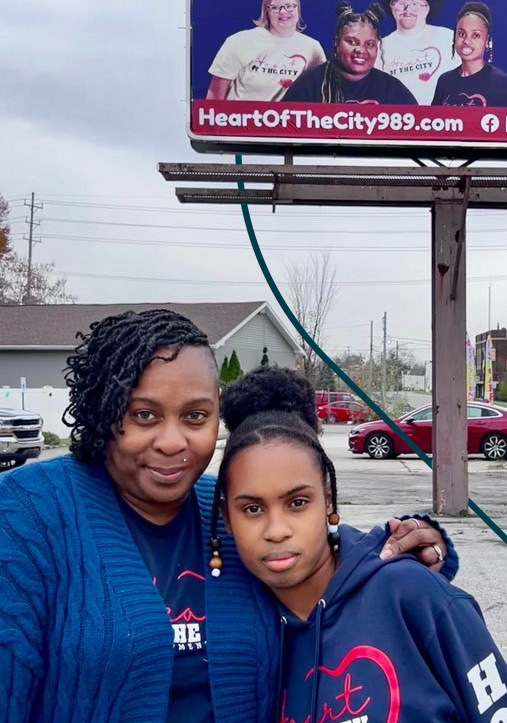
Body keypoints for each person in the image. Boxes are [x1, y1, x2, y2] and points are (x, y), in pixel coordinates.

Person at [0, 309, 456, 723]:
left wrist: (418, 540)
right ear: (104, 409)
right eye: (144, 416)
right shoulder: (27, 512)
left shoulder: (229, 506)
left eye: (196, 417)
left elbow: (326, 552)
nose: (174, 442)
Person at [215, 367, 507, 723]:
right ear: (226, 518)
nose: (276, 531)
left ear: (328, 501)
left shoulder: (412, 595)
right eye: (252, 509)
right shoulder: (242, 634)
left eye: (297, 503)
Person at [282, 1, 417, 105]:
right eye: (352, 42)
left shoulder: (391, 89)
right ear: (337, 43)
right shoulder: (311, 84)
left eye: (369, 44)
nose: (361, 50)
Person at [206, 0, 325, 101]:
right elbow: (215, 93)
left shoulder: (312, 47)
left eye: (289, 6)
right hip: (240, 118)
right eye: (274, 7)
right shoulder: (239, 41)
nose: (283, 12)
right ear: (266, 11)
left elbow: (321, 90)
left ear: (298, 9)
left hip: (286, 119)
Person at [432, 2, 507, 108]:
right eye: (461, 34)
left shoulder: (499, 81)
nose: (466, 41)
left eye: (475, 35)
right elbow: (432, 122)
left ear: (487, 41)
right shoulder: (445, 81)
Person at [377, 0, 458, 104]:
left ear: (427, 8)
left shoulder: (448, 38)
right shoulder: (379, 47)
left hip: (445, 118)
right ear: (391, 7)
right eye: (401, 4)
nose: (408, 10)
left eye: (415, 4)